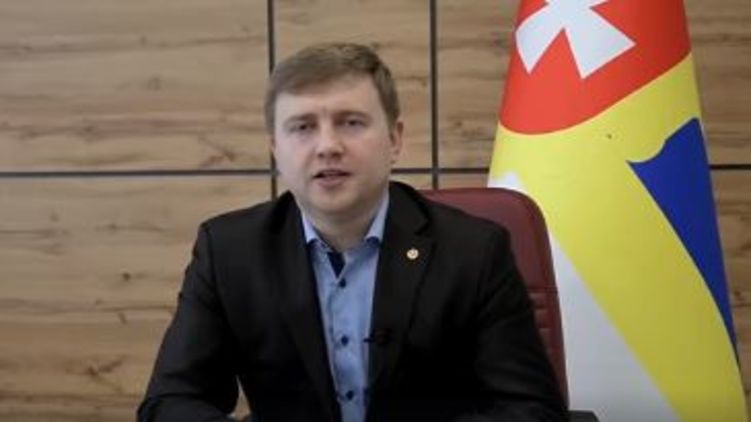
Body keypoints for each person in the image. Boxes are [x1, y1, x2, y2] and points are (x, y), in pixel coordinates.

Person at [138, 42, 565, 422]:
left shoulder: (473, 250)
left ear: (394, 139)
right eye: (303, 127)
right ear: (275, 149)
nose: (328, 146)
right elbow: (169, 403)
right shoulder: (230, 252)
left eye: (351, 122)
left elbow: (532, 409)